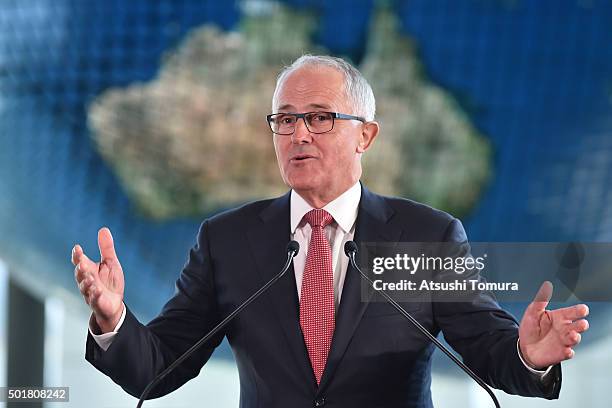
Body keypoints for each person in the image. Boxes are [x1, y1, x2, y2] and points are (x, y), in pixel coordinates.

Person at [72, 55, 589, 408]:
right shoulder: (227, 241)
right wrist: (114, 318)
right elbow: (160, 367)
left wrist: (529, 357)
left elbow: (485, 346)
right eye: (285, 119)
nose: (298, 134)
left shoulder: (424, 237)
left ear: (365, 135)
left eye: (319, 118)